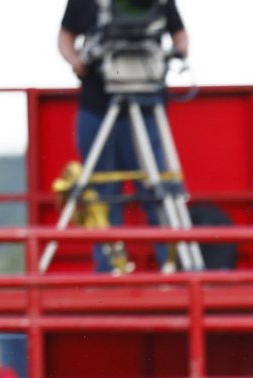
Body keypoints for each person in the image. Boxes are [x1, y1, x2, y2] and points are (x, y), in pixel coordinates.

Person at [58, 0, 189, 273]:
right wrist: (76, 61)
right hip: (97, 104)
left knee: (155, 189)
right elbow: (65, 36)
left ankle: (171, 267)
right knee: (101, 192)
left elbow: (180, 35)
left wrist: (176, 52)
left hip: (147, 104)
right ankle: (108, 269)